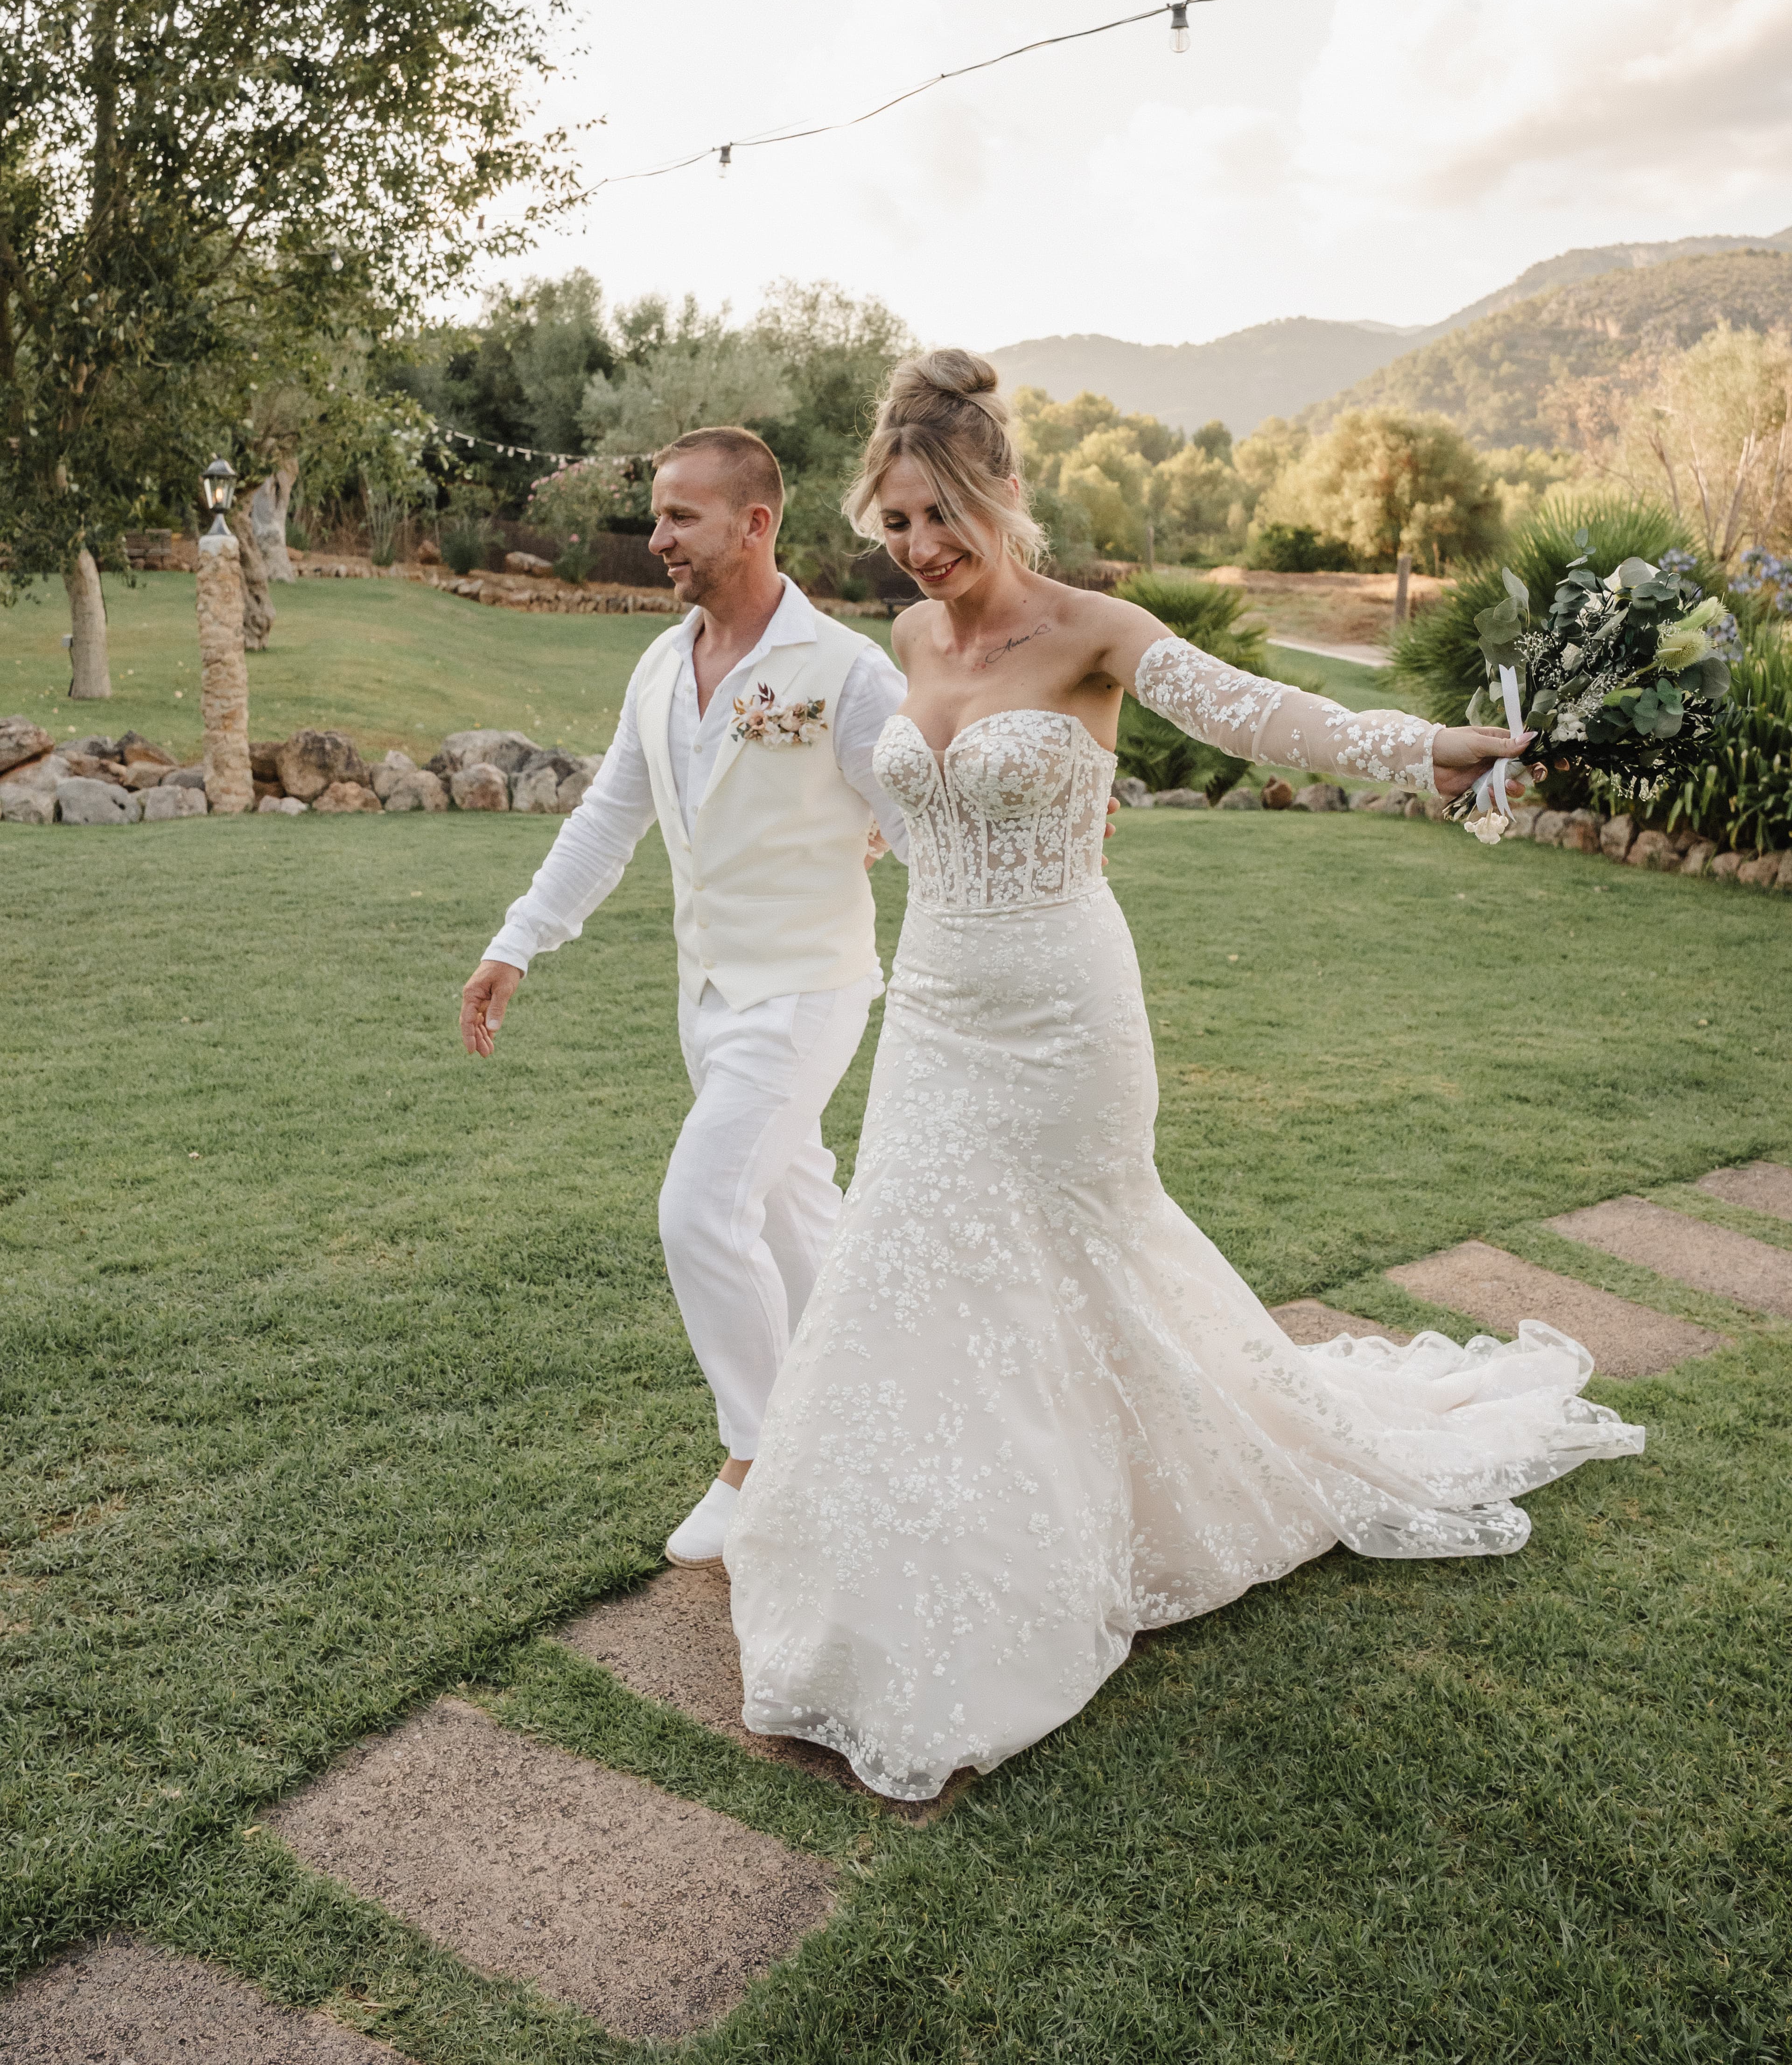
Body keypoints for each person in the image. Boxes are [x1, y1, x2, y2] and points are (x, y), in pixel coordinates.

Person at [724, 351, 1645, 1804]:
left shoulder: (1096, 632)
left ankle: (1045, 1570)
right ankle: (885, 1585)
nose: (919, 547)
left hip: (1064, 1021)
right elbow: (899, 796)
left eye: (941, 513)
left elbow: (1268, 718)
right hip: (936, 1012)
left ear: (1002, 493)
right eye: (895, 522)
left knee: (1059, 1275)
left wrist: (1431, 750)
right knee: (912, 1274)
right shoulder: (904, 641)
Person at [459, 426, 914, 1566]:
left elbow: (925, 819)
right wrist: (518, 942)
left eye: (680, 517)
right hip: (705, 996)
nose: (656, 538)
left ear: (755, 525)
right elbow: (610, 819)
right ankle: (883, 1404)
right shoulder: (661, 667)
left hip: (808, 986)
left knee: (702, 1208)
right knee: (798, 1208)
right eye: (657, 515)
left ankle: (762, 1463)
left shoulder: (850, 674)